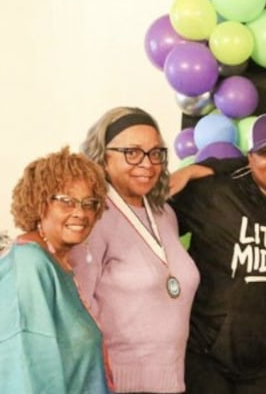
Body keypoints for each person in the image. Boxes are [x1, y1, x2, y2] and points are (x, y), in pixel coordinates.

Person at [169, 112, 266, 393]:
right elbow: (152, 218)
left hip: (263, 364)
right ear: (250, 157)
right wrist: (204, 168)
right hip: (204, 356)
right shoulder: (218, 195)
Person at [69, 107, 200, 393]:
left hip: (172, 382)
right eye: (132, 152)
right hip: (114, 384)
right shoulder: (93, 216)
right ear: (103, 156)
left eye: (156, 153)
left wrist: (189, 170)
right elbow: (77, 310)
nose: (147, 163)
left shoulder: (164, 213)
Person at [1, 147, 109, 393]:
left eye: (89, 203)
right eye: (67, 201)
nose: (81, 213)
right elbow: (27, 371)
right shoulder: (29, 265)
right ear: (40, 204)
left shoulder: (59, 265)